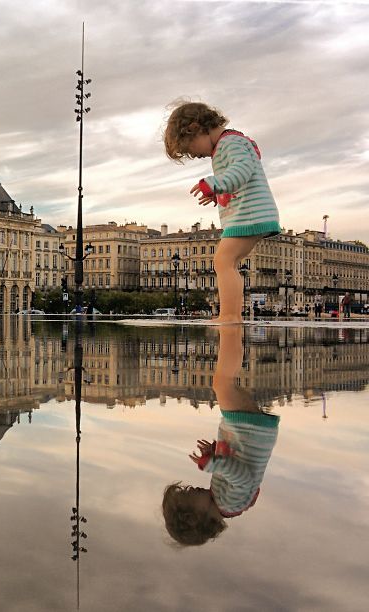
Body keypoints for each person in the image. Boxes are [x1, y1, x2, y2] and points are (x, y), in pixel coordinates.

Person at [162, 326, 280, 546]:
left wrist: (215, 451)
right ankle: (230, 329)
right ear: (196, 517)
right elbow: (243, 477)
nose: (192, 488)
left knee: (227, 384)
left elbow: (234, 465)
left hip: (247, 433)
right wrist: (212, 465)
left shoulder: (222, 502)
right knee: (222, 384)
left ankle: (232, 332)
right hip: (250, 432)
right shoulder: (229, 503)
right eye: (189, 494)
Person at [165, 102, 281, 324]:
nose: (193, 155)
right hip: (250, 213)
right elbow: (239, 179)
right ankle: (231, 314)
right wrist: (217, 193)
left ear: (196, 127)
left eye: (189, 147)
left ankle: (229, 315)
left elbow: (241, 171)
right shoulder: (230, 143)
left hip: (249, 215)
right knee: (228, 262)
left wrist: (214, 183)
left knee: (223, 261)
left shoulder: (230, 143)